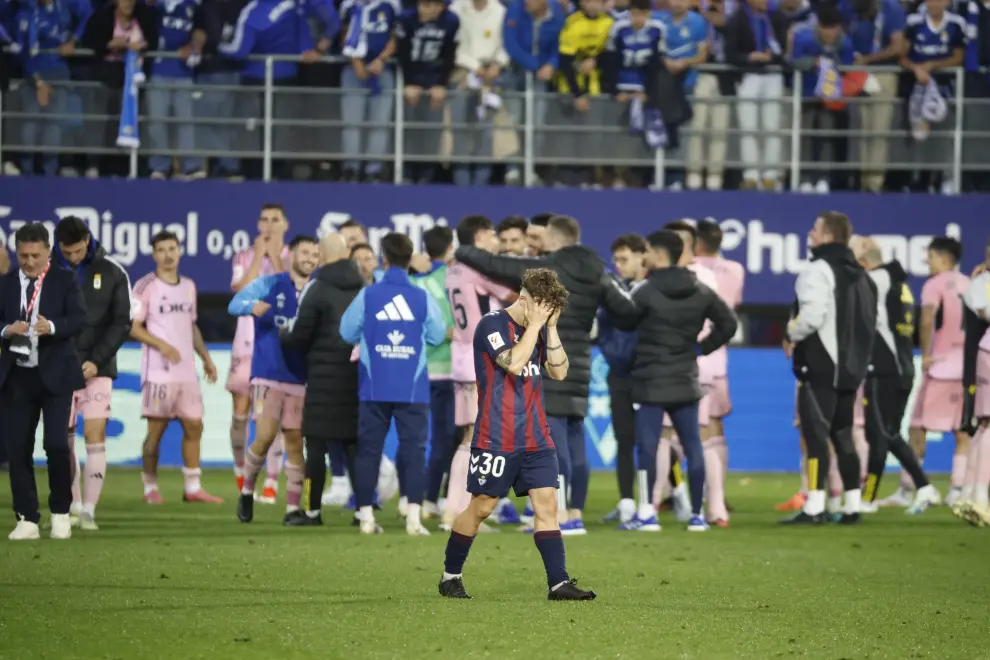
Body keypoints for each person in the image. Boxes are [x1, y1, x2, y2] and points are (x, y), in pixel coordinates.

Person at [454, 215, 638, 533]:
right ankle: (575, 513)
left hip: (546, 357)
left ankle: (561, 515)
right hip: (578, 365)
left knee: (554, 444)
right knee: (576, 441)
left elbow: (496, 265)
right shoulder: (597, 269)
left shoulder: (548, 271)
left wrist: (461, 250)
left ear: (553, 240)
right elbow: (628, 311)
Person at [438, 268, 596, 601]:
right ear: (524, 300)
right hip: (496, 435)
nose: (545, 315)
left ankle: (558, 583)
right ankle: (450, 575)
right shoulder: (491, 325)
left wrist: (549, 328)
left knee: (547, 506)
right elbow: (512, 362)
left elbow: (561, 371)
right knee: (482, 508)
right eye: (543, 308)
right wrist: (537, 325)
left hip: (537, 437)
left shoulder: (538, 327)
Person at [613, 230, 737, 533]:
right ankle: (697, 515)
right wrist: (701, 348)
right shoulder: (700, 290)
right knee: (693, 445)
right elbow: (729, 324)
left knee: (648, 445)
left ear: (657, 254)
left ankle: (647, 513)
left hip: (651, 380)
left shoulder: (645, 291)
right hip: (685, 378)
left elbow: (624, 321)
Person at [339, 232, 447, 535]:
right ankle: (413, 519)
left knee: (369, 451)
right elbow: (437, 335)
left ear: (384, 258)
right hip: (413, 386)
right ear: (409, 259)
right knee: (414, 452)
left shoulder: (368, 295)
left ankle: (366, 518)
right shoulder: (422, 296)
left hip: (374, 385)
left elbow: (347, 332)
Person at [782, 212, 876, 525]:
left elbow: (811, 316)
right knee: (843, 437)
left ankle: (814, 507)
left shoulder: (818, 270)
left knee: (815, 435)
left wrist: (789, 334)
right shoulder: (860, 274)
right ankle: (852, 506)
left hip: (821, 364)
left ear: (826, 236)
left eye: (816, 228)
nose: (810, 232)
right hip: (851, 367)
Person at [1, 223, 86, 541]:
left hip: (55, 375)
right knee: (18, 448)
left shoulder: (64, 281)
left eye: (35, 255)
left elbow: (79, 319)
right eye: (23, 255)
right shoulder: (6, 284)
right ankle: (27, 519)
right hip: (17, 376)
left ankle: (61, 512)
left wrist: (51, 325)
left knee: (55, 444)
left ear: (48, 252)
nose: (29, 261)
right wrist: (6, 330)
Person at [229, 235, 319, 525]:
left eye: (315, 254)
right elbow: (234, 304)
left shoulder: (317, 291)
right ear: (291, 254)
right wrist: (250, 307)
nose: (310, 258)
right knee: (266, 436)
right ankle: (246, 491)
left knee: (295, 440)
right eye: (305, 252)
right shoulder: (270, 283)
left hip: (300, 377)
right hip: (268, 374)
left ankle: (292, 509)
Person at [849, 237, 939, 514]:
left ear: (864, 261)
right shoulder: (898, 283)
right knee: (880, 436)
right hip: (902, 366)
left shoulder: (875, 280)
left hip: (883, 368)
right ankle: (868, 499)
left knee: (885, 434)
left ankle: (925, 487)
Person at [53, 216, 132, 531]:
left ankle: (89, 510)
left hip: (97, 370)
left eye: (76, 251)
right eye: (66, 252)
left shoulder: (113, 272)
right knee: (63, 440)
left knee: (94, 434)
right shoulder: (51, 273)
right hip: (59, 368)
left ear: (87, 239)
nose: (72, 257)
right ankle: (71, 506)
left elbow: (121, 322)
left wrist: (96, 361)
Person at [131, 230, 222, 505]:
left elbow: (190, 325)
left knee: (195, 425)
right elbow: (133, 327)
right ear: (154, 254)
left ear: (180, 251)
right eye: (162, 250)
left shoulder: (189, 286)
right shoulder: (146, 286)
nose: (168, 255)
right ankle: (150, 488)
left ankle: (192, 487)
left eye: (172, 249)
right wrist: (162, 345)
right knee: (155, 433)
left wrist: (205, 357)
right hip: (159, 372)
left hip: (186, 373)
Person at [281, 233, 365, 524]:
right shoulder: (363, 288)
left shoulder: (317, 288)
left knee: (315, 447)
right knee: (355, 447)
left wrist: (283, 333)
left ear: (324, 256)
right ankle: (362, 510)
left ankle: (312, 511)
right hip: (355, 379)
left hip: (321, 380)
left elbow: (299, 335)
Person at [882, 237, 970, 507]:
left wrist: (926, 352)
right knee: (963, 432)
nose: (926, 262)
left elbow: (928, 318)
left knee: (916, 428)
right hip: (966, 368)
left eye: (930, 257)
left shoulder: (933, 285)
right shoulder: (970, 284)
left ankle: (909, 488)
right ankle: (957, 489)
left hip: (940, 367)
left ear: (944, 259)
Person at [443, 216, 517, 530]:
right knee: (478, 438)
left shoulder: (453, 270)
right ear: (479, 236)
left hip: (460, 358)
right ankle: (459, 512)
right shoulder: (477, 270)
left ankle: (454, 510)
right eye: (491, 234)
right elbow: (512, 295)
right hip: (480, 360)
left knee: (468, 437)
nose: (495, 239)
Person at [228, 204, 291, 504]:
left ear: (285, 225)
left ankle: (272, 481)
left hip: (278, 344)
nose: (269, 225)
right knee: (240, 410)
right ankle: (241, 470)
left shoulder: (293, 256)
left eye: (275, 220)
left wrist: (275, 257)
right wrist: (257, 257)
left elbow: (291, 292)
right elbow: (241, 290)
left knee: (272, 416)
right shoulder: (243, 255)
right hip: (245, 343)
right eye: (264, 219)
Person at [693, 219, 744, 520]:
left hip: (690, 354)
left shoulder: (689, 269)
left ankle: (664, 495)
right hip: (718, 357)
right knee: (714, 427)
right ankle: (718, 498)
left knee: (670, 430)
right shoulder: (735, 271)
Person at [598, 234, 648, 524]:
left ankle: (670, 495)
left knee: (657, 442)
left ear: (643, 257)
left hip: (647, 377)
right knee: (624, 440)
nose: (618, 265)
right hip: (619, 376)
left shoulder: (650, 291)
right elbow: (605, 334)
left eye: (624, 259)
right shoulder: (612, 295)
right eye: (615, 259)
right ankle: (627, 502)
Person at [412, 227, 457, 521]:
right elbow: (455, 328)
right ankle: (434, 498)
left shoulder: (415, 281)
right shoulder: (452, 278)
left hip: (422, 370)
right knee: (450, 439)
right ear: (451, 247)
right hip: (452, 371)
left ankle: (425, 498)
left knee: (428, 439)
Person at [724, 0, 789, 191]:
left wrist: (773, 57)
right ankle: (751, 175)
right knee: (748, 127)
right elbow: (731, 54)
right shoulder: (736, 19)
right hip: (749, 76)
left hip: (772, 74)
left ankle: (770, 176)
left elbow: (785, 48)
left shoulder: (777, 17)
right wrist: (749, 57)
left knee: (772, 127)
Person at [395, 0, 460, 184]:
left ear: (441, 7)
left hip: (435, 79)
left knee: (432, 129)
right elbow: (403, 53)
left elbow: (450, 54)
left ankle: (427, 175)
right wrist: (408, 83)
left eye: (431, 5)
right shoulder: (406, 19)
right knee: (409, 126)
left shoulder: (451, 21)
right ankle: (406, 172)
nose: (425, 9)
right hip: (412, 78)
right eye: (423, 4)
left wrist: (441, 84)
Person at [958, 245, 990, 524]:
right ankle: (980, 498)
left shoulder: (980, 281)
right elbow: (983, 312)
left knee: (983, 425)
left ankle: (968, 493)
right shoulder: (981, 282)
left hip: (983, 352)